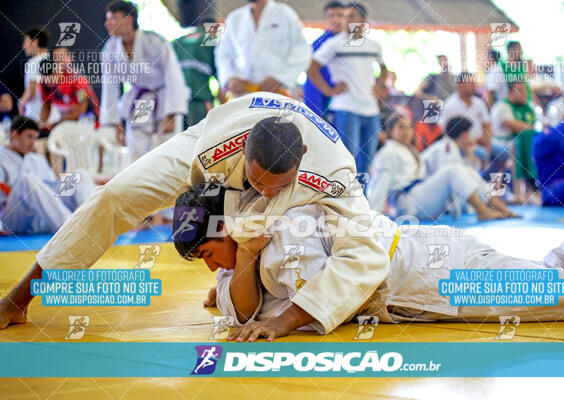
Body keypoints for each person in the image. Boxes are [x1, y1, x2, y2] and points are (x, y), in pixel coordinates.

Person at [0, 93, 390, 336]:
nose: (266, 192)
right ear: (245, 154)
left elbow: (366, 254)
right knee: (116, 195)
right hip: (214, 133)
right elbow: (206, 207)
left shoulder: (335, 172)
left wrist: (284, 320)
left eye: (277, 185)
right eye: (258, 181)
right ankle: (20, 298)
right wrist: (230, 266)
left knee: (301, 224)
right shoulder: (219, 149)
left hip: (297, 162)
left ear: (302, 159)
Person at [173, 184, 564, 341]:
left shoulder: (287, 226)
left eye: (208, 255)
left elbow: (336, 297)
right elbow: (243, 309)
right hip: (426, 263)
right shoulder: (245, 251)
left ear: (226, 229)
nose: (213, 270)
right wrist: (243, 258)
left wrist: (279, 320)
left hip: (433, 274)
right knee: (551, 274)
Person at [368, 115, 514, 220]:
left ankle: (498, 206)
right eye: (401, 127)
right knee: (452, 170)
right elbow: (379, 184)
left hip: (424, 198)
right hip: (408, 203)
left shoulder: (408, 150)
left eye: (409, 127)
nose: (407, 131)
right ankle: (482, 211)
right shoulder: (387, 153)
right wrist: (375, 217)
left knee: (467, 171)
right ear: (390, 132)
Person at [101, 0, 189, 160]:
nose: (107, 23)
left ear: (128, 20)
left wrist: (172, 113)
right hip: (140, 99)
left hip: (164, 98)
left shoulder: (155, 41)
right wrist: (115, 122)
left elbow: (173, 76)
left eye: (113, 18)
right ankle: (137, 184)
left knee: (167, 147)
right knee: (136, 147)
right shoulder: (110, 49)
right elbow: (110, 86)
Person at [306, 2, 388, 174]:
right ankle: (345, 199)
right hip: (345, 109)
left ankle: (362, 199)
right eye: (345, 17)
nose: (346, 20)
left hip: (371, 111)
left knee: (366, 165)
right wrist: (329, 90)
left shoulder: (374, 45)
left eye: (352, 16)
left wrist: (380, 86)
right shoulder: (334, 44)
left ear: (364, 21)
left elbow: (384, 68)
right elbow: (311, 67)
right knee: (346, 161)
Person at [0, 116, 94, 235]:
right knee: (26, 180)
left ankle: (93, 221)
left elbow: (52, 188)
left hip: (41, 218)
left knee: (81, 174)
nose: (33, 142)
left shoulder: (36, 158)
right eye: (29, 137)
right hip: (15, 216)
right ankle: (71, 229)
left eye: (35, 138)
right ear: (14, 134)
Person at [215, 0, 311, 98]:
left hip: (278, 93)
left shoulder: (286, 15)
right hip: (242, 94)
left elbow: (302, 51)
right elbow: (223, 54)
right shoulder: (235, 18)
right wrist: (230, 78)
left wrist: (279, 78)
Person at [438, 72, 507, 175]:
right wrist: (469, 142)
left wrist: (487, 143)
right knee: (482, 154)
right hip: (462, 145)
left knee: (504, 153)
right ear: (460, 85)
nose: (474, 85)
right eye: (470, 82)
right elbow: (446, 132)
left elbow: (487, 125)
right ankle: (476, 181)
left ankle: (484, 179)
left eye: (473, 82)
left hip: (481, 142)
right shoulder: (449, 105)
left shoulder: (479, 103)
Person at [490, 81, 538, 202]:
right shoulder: (501, 106)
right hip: (500, 143)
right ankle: (512, 194)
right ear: (511, 92)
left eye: (525, 91)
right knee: (516, 148)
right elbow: (512, 125)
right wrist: (531, 128)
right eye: (521, 91)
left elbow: (538, 125)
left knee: (530, 146)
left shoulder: (530, 106)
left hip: (524, 143)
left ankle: (531, 190)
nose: (524, 94)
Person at [38, 48, 99, 132]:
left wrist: (55, 124)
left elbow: (82, 109)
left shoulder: (78, 80)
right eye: (57, 58)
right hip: (66, 121)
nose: (49, 82)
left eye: (62, 58)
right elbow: (46, 105)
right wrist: (42, 124)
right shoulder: (44, 83)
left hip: (88, 120)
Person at [172, 19, 218, 128]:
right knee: (198, 138)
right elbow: (220, 75)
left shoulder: (177, 42)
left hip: (176, 104)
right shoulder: (210, 41)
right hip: (200, 102)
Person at [303, 1, 345, 117]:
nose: (336, 19)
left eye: (340, 15)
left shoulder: (352, 43)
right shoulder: (318, 44)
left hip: (345, 99)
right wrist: (329, 91)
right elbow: (309, 70)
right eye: (331, 15)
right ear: (326, 19)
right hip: (319, 96)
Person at [18, 28, 59, 124]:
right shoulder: (52, 59)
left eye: (26, 41)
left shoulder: (34, 62)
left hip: (37, 117)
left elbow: (32, 89)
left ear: (35, 41)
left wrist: (21, 103)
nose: (24, 46)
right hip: (54, 116)